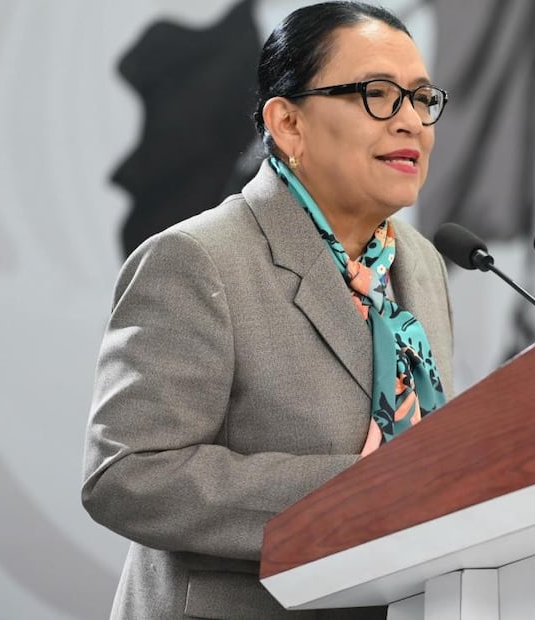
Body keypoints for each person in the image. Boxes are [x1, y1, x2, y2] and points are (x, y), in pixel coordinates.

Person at [81, 3, 454, 618]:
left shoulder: (420, 263)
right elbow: (128, 477)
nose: (410, 121)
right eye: (379, 95)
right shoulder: (197, 259)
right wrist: (364, 497)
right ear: (288, 123)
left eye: (421, 98)